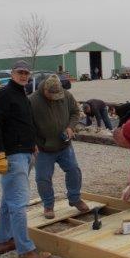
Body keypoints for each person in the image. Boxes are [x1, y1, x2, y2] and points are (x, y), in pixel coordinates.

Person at [0, 60, 51, 258]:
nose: (23, 75)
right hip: (13, 155)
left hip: (25, 152)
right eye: (20, 72)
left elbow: (23, 123)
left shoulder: (22, 94)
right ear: (12, 74)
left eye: (26, 72)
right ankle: (25, 249)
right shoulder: (4, 95)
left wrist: (32, 144)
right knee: (18, 203)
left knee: (9, 200)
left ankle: (4, 240)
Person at [29, 74, 90, 219]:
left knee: (74, 171)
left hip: (64, 145)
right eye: (53, 95)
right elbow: (26, 125)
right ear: (45, 90)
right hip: (43, 148)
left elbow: (75, 112)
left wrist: (70, 127)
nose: (56, 98)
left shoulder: (66, 95)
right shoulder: (32, 101)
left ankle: (75, 198)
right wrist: (32, 142)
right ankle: (48, 205)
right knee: (43, 178)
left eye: (58, 95)